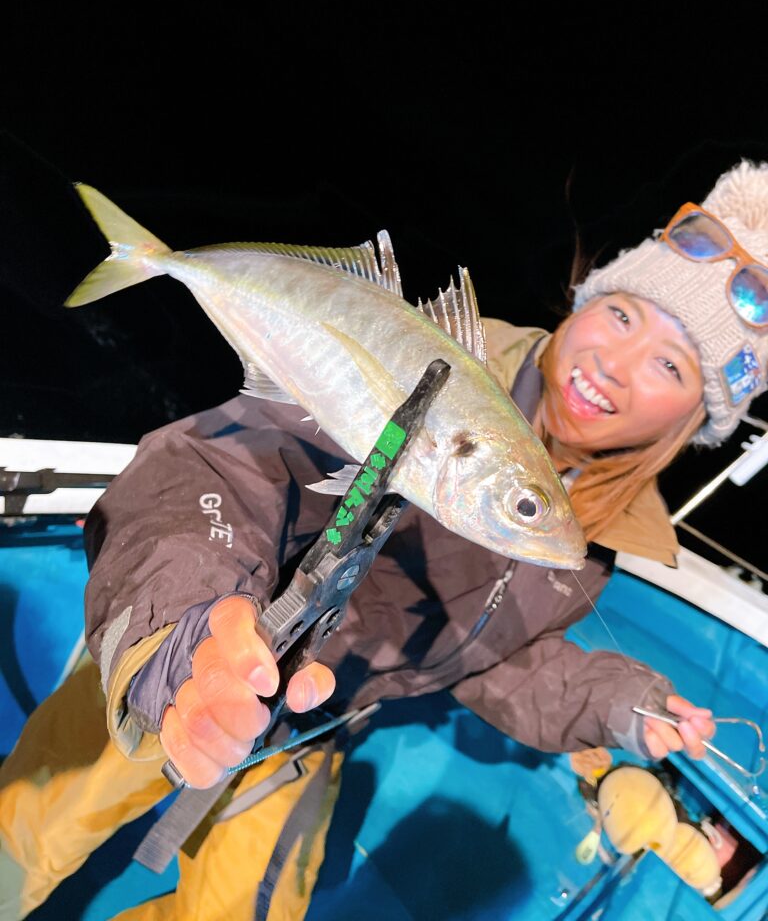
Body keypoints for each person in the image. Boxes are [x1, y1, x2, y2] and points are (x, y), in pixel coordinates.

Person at [1, 159, 767, 920]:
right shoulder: (430, 376)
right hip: (203, 653)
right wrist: (184, 624)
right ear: (587, 298)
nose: (615, 364)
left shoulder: (595, 541)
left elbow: (493, 660)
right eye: (623, 315)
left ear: (694, 420)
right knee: (27, 835)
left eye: (670, 364)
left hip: (311, 724)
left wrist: (622, 703)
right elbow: (218, 469)